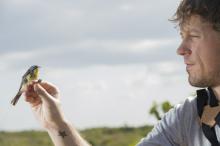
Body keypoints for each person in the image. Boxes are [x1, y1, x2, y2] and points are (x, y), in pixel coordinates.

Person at [24, 0, 220, 145]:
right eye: (182, 36)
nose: (181, 49)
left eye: (193, 36)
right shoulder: (188, 118)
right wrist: (57, 124)